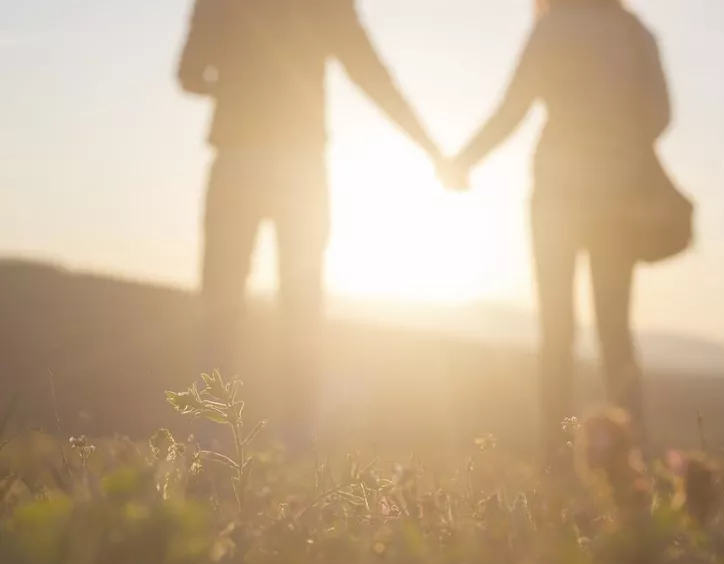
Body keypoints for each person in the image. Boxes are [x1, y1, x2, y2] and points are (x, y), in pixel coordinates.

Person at [176, 0, 444, 448]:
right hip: (301, 164)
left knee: (220, 303)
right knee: (302, 304)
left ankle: (212, 435)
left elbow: (187, 74)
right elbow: (371, 75)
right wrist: (431, 149)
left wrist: (230, 82)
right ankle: (299, 437)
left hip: (238, 156)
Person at [443, 0, 672, 457]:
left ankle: (556, 448)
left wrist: (464, 160)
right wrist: (621, 138)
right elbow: (661, 115)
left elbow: (513, 107)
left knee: (555, 324)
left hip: (557, 189)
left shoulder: (552, 29)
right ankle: (630, 450)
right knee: (614, 325)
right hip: (619, 193)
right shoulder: (634, 32)